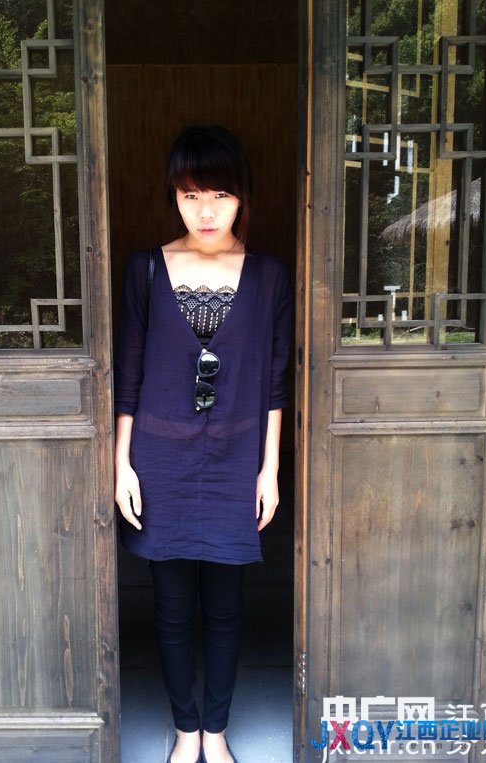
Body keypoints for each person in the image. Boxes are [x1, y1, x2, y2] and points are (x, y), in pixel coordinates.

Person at [114, 125, 293, 763]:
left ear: (242, 195)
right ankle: (185, 729)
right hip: (160, 458)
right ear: (174, 196)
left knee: (224, 606)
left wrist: (269, 470)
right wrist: (122, 464)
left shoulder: (269, 275)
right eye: (191, 195)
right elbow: (128, 373)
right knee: (169, 608)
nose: (207, 210)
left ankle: (214, 731)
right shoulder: (146, 269)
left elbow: (275, 380)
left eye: (220, 194)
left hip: (236, 460)